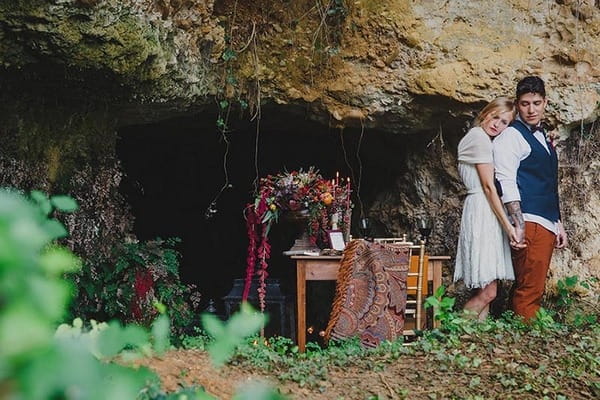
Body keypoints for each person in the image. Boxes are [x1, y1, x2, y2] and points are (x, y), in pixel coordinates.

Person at [493, 76, 568, 321]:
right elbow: (506, 181)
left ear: (545, 102)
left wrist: (558, 223)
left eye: (536, 103)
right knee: (529, 291)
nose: (531, 109)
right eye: (525, 104)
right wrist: (519, 225)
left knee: (531, 285)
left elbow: (548, 182)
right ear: (517, 104)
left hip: (545, 220)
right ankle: (526, 340)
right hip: (529, 220)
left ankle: (521, 336)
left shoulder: (541, 135)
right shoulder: (511, 136)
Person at [454, 97, 521, 320]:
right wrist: (508, 225)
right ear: (486, 113)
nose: (497, 125)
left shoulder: (481, 138)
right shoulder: (479, 138)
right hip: (483, 210)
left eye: (504, 122)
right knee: (490, 291)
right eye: (495, 117)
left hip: (481, 209)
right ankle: (453, 330)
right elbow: (489, 187)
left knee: (484, 286)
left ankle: (475, 337)